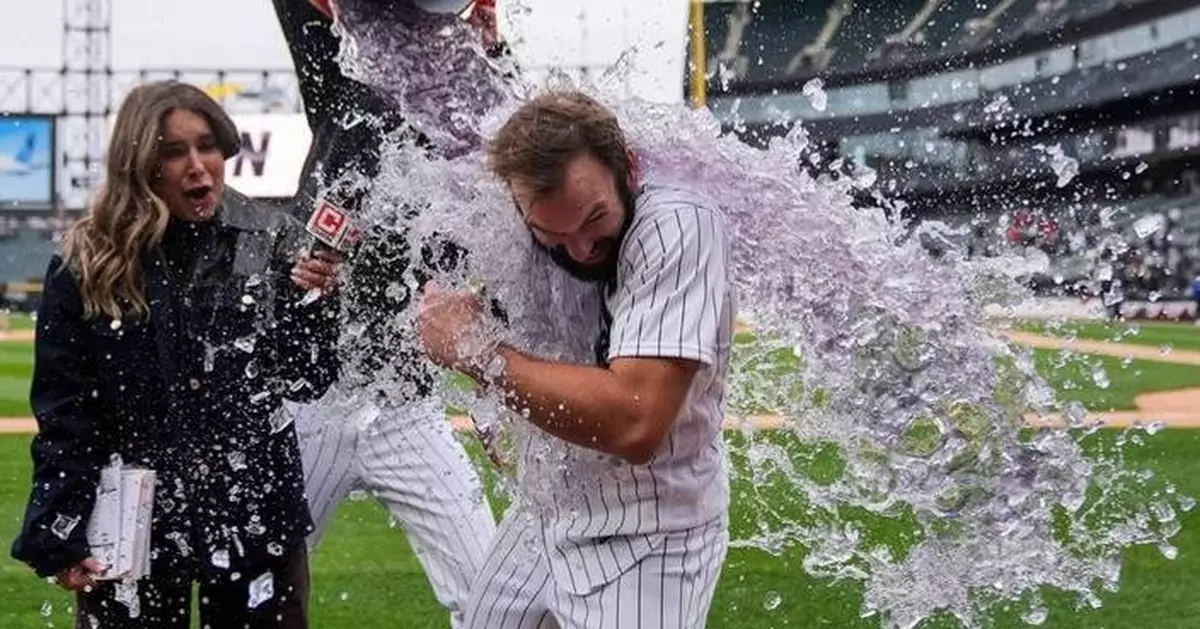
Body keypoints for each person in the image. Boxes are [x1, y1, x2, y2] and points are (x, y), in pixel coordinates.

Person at [10, 81, 342, 629]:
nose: (197, 166)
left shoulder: (271, 239)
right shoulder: (86, 261)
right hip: (132, 516)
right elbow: (67, 411)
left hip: (254, 507)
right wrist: (58, 528)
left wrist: (318, 306)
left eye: (207, 146)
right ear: (139, 164)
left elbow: (308, 378)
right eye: (173, 152)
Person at [417, 91, 735, 629]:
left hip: (650, 534)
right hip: (544, 515)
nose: (581, 250)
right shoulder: (519, 220)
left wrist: (481, 356)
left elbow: (636, 421)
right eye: (552, 235)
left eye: (595, 220)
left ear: (628, 167)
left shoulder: (678, 223)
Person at [270, 0, 501, 625]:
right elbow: (305, 23)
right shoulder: (345, 93)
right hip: (312, 403)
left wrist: (491, 45)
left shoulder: (465, 127)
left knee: (489, 594)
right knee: (261, 585)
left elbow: (523, 134)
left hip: (405, 407)